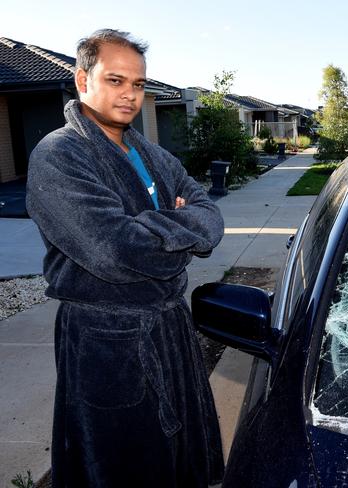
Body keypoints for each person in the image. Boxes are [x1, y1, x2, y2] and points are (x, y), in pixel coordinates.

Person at [26, 29, 224, 487]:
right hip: (105, 337)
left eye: (137, 84)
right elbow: (112, 250)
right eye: (115, 80)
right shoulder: (59, 155)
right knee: (121, 461)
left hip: (168, 327)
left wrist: (158, 231)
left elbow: (210, 217)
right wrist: (178, 238)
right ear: (82, 80)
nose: (130, 95)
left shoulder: (149, 152)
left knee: (177, 459)